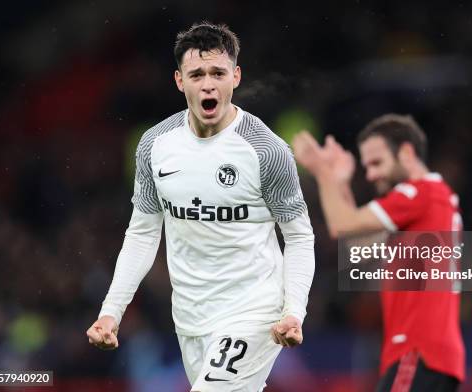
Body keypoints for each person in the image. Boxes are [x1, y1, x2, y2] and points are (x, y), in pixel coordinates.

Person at [86, 22, 315, 392]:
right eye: (197, 74)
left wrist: (293, 311)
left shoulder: (266, 151)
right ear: (180, 80)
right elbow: (143, 234)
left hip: (254, 313)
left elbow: (300, 237)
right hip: (190, 319)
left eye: (218, 73)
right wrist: (111, 312)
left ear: (235, 77)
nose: (208, 83)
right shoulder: (154, 145)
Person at [292, 114, 464, 392]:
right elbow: (356, 243)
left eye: (377, 163)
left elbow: (340, 224)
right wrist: (339, 182)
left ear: (406, 153)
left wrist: (320, 169)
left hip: (417, 350)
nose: (371, 175)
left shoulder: (420, 193)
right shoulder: (433, 202)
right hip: (429, 354)